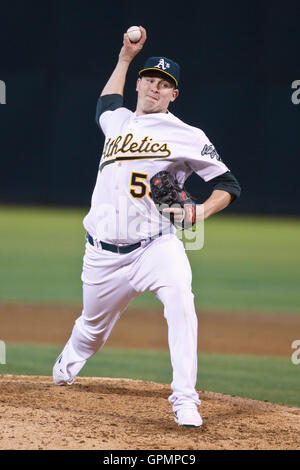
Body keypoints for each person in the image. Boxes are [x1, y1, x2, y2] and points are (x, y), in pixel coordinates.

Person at [52, 26, 241, 428]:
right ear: (139, 84)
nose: (155, 88)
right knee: (91, 331)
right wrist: (124, 57)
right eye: (150, 80)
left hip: (156, 246)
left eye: (164, 85)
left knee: (182, 305)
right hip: (102, 254)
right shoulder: (117, 122)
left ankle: (185, 400)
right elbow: (105, 103)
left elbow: (229, 185)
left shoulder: (188, 136)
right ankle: (67, 365)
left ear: (174, 94)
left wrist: (197, 214)